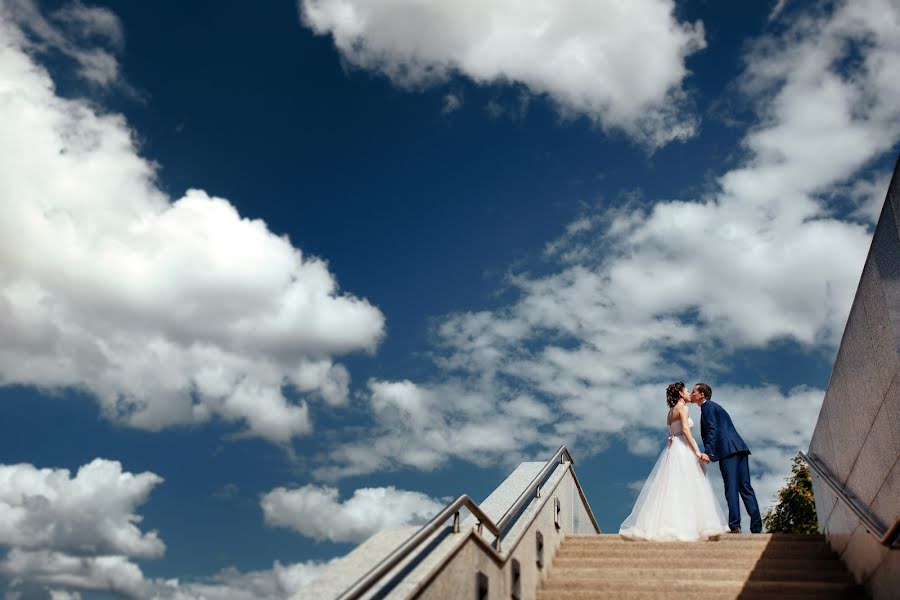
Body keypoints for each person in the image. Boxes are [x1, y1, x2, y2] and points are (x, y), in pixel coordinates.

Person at [619, 382, 729, 541]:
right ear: (680, 393)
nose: (688, 393)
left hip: (672, 449)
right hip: (683, 448)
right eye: (686, 390)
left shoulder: (670, 412)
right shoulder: (683, 408)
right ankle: (691, 526)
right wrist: (697, 451)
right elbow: (685, 429)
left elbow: (672, 433)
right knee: (690, 484)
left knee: (672, 486)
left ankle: (669, 524)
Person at [690, 382, 762, 534]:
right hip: (739, 448)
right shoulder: (715, 406)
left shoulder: (707, 407)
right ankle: (756, 527)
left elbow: (712, 429)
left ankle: (734, 526)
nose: (691, 394)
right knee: (746, 488)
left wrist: (708, 451)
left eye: (693, 391)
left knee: (731, 487)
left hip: (728, 450)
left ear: (701, 394)